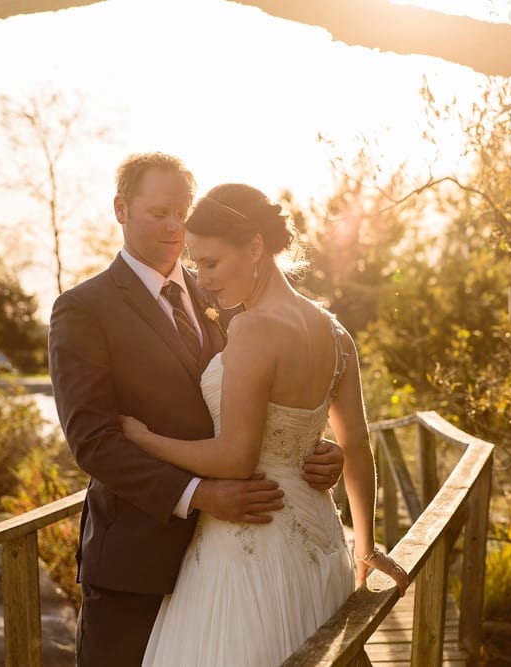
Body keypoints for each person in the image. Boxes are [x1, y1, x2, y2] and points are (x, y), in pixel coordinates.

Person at [48, 152, 345, 666]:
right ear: (121, 209)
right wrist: (197, 495)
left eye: (182, 211)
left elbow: (266, 402)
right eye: (159, 211)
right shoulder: (83, 308)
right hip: (137, 562)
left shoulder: (226, 295)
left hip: (236, 558)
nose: (174, 226)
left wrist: (318, 449)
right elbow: (94, 442)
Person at [118, 183, 409, 666]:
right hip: (321, 538)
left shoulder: (252, 328)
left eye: (211, 262)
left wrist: (145, 439)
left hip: (251, 542)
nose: (202, 277)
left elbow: (235, 458)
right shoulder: (335, 333)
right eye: (196, 263)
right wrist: (368, 545)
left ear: (254, 247)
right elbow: (355, 445)